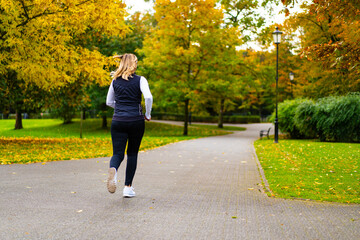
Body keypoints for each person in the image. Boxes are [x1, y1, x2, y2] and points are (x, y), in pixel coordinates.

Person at [106, 53, 153, 198]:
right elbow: (148, 97)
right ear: (133, 63)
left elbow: (108, 102)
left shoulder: (115, 81)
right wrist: (148, 114)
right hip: (135, 121)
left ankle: (113, 170)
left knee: (117, 153)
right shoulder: (141, 80)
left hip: (118, 120)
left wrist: (120, 109)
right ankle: (127, 188)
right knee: (132, 153)